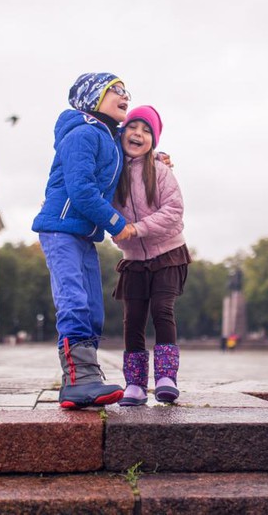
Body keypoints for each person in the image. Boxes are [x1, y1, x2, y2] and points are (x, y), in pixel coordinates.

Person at [32, 72, 134, 409]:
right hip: (61, 228)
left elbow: (129, 156)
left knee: (92, 305)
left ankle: (84, 380)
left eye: (126, 90)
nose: (125, 95)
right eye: (115, 90)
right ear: (93, 98)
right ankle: (79, 381)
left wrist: (156, 159)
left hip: (82, 233)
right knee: (73, 299)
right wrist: (116, 223)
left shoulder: (108, 137)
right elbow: (82, 189)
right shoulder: (84, 133)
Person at [111, 105, 191, 406]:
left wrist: (136, 228)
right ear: (122, 133)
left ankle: (166, 378)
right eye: (133, 127)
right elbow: (101, 206)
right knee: (132, 321)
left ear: (153, 141)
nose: (138, 134)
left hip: (168, 253)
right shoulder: (113, 173)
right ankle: (134, 384)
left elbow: (174, 212)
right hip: (134, 260)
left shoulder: (160, 171)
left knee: (162, 309)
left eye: (146, 131)